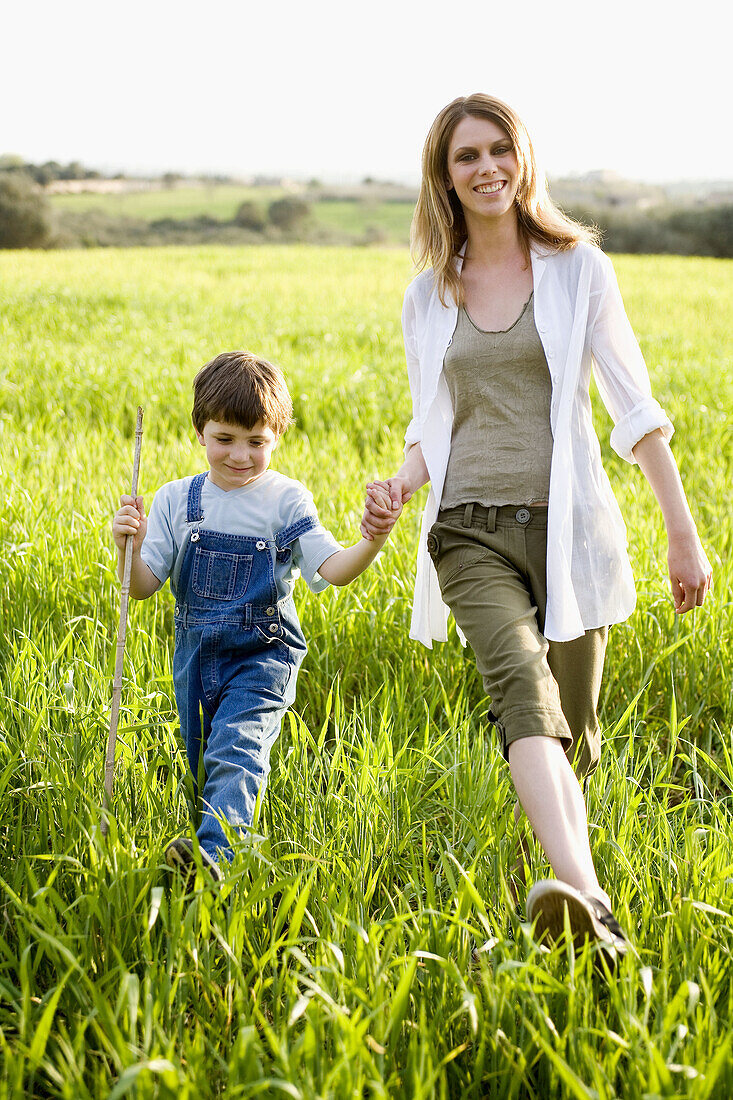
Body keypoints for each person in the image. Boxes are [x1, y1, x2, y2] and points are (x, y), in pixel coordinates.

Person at [361, 93, 712, 963]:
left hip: (569, 534)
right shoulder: (427, 295)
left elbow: (634, 410)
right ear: (442, 178)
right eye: (464, 157)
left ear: (522, 158)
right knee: (522, 697)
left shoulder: (577, 269)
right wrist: (400, 486)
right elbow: (430, 422)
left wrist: (681, 531)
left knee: (573, 736)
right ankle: (591, 904)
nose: (485, 169)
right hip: (467, 531)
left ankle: (557, 915)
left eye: (497, 151)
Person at [112, 350, 400, 882]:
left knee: (237, 747)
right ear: (200, 431)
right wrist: (125, 545)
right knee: (201, 763)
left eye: (256, 442)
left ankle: (215, 860)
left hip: (263, 657)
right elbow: (143, 587)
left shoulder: (285, 501)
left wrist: (372, 540)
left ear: (277, 438)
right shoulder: (179, 500)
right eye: (225, 439)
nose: (240, 456)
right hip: (198, 657)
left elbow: (333, 570)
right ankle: (211, 858)